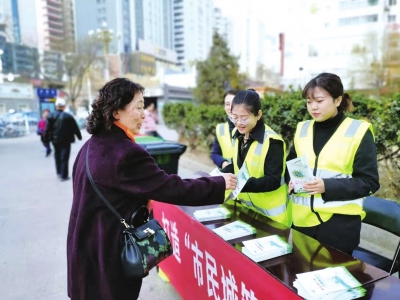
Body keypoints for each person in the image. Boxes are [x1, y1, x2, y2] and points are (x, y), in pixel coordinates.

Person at [67, 78, 237, 300]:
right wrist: (219, 183)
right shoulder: (125, 153)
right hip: (107, 257)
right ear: (116, 112)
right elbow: (171, 187)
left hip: (83, 252)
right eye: (138, 107)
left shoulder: (90, 146)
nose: (144, 113)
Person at [286, 72, 380, 255]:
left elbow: (369, 182)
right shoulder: (302, 129)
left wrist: (326, 186)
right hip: (301, 222)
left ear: (338, 100)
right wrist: (290, 180)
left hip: (338, 227)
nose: (313, 107)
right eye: (308, 102)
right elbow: (291, 164)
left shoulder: (358, 131)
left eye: (319, 101)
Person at [221, 89, 291, 227]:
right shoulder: (237, 133)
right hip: (246, 211)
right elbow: (237, 164)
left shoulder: (272, 141)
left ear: (258, 114)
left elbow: (273, 180)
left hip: (272, 220)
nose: (239, 122)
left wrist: (239, 185)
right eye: (234, 117)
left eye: (244, 117)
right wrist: (219, 176)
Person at [44, 98, 82, 181]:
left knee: (57, 155)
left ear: (56, 106)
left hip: (55, 140)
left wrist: (46, 139)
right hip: (66, 140)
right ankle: (64, 175)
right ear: (64, 107)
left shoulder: (50, 116)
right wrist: (79, 136)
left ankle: (58, 172)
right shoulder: (68, 116)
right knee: (64, 156)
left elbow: (47, 129)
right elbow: (75, 128)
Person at [211, 90, 238, 169]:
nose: (230, 107)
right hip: (228, 176)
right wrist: (223, 163)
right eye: (227, 104)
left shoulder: (248, 127)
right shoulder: (221, 128)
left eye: (233, 103)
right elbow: (215, 153)